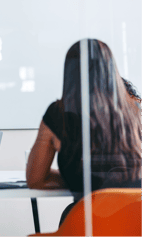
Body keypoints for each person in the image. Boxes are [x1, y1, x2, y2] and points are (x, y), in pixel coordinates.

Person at [25, 39, 141, 225]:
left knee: (69, 216)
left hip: (89, 223)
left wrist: (84, 179)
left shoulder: (58, 114)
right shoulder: (136, 111)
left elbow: (36, 179)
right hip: (135, 224)